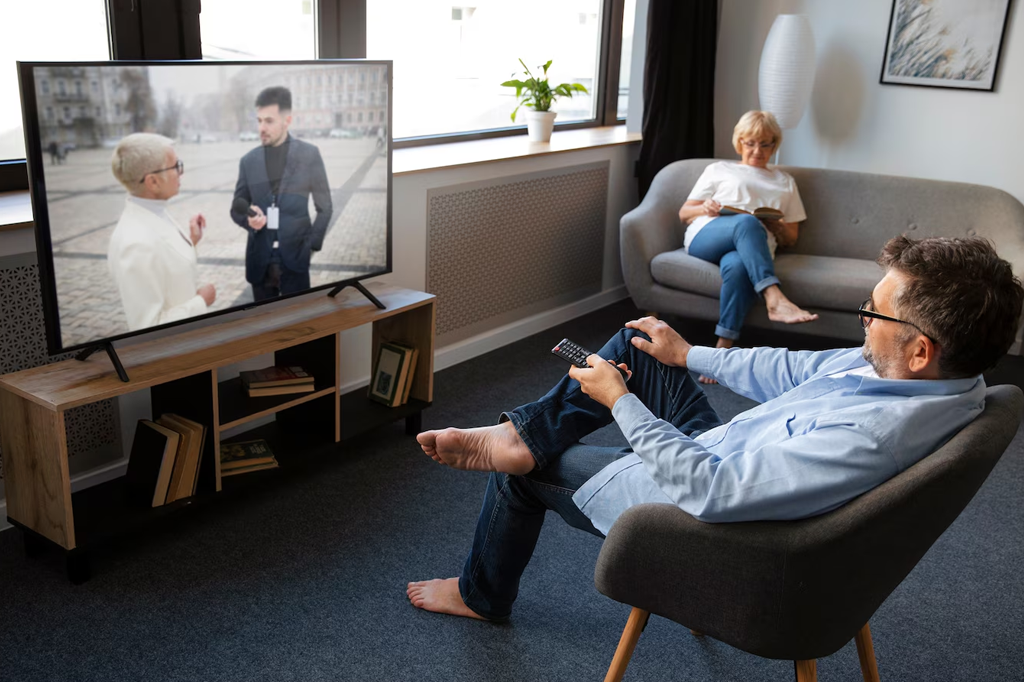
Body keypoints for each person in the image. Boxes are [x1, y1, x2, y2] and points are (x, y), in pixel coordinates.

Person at [407, 235, 1023, 622]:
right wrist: (691, 354)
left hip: (696, 516)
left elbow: (713, 493)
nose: (862, 323)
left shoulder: (875, 436)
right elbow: (796, 367)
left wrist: (623, 403)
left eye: (873, 314)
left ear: (920, 349)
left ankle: (481, 592)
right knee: (640, 340)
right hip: (725, 450)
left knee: (525, 473)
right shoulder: (933, 380)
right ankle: (524, 435)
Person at [679, 110, 815, 384]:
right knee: (746, 222)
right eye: (750, 143)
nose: (757, 150)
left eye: (765, 144)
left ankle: (720, 352)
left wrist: (775, 225)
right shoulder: (719, 169)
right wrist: (704, 207)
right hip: (709, 234)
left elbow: (791, 237)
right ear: (739, 142)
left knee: (739, 266)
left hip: (753, 248)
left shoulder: (785, 182)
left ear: (774, 146)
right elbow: (684, 212)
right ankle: (773, 297)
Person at [231, 86, 333, 301]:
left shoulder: (309, 155)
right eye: (259, 121)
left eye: (268, 121)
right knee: (265, 325)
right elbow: (237, 205)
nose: (261, 128)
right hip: (260, 259)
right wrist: (249, 219)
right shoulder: (248, 161)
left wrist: (311, 246)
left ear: (287, 120)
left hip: (296, 258)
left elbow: (325, 207)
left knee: (299, 324)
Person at [108, 133, 216, 332]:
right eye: (175, 166)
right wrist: (201, 301)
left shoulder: (154, 210)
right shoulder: (135, 245)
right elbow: (148, 328)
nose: (180, 172)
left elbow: (165, 265)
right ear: (153, 182)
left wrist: (191, 241)